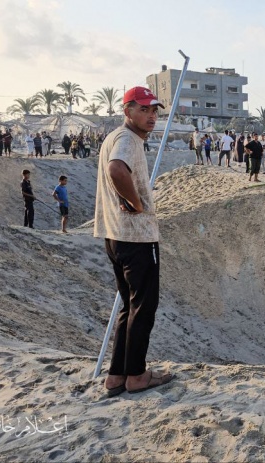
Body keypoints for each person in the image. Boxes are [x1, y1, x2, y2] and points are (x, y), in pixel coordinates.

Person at [94, 86, 173, 396]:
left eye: (154, 109)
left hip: (115, 236)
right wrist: (137, 203)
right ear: (127, 111)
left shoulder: (117, 137)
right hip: (136, 238)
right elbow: (116, 169)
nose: (151, 115)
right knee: (143, 307)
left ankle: (116, 376)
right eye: (143, 109)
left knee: (129, 306)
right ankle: (138, 376)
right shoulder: (127, 139)